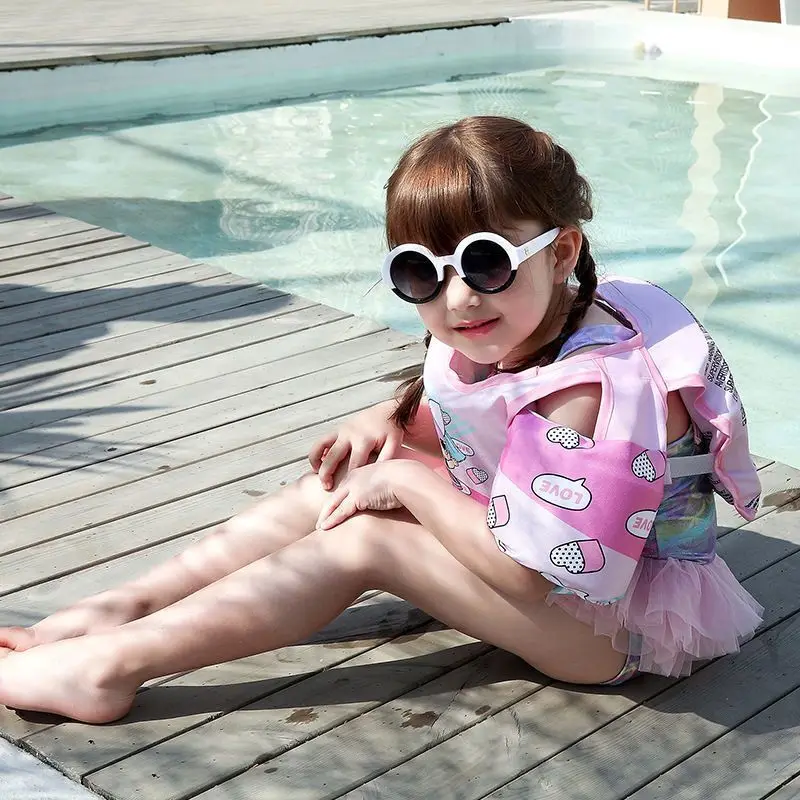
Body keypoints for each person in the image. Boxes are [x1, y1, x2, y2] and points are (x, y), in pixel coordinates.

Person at [0, 116, 764, 724]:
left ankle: (107, 669)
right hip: (551, 569)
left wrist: (408, 483)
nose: (457, 298)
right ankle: (120, 610)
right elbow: (468, 421)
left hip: (612, 629)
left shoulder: (589, 387)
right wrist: (387, 421)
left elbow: (528, 575)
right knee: (339, 482)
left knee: (366, 535)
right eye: (420, 272)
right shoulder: (525, 317)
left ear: (562, 252)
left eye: (487, 262)